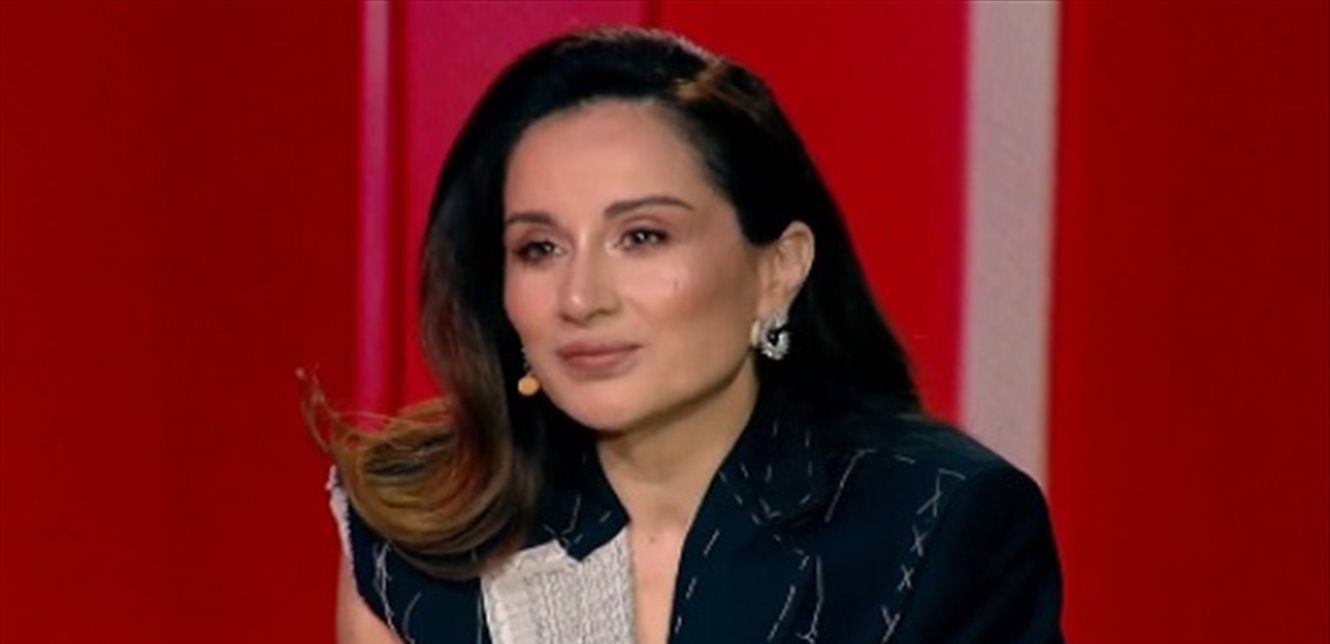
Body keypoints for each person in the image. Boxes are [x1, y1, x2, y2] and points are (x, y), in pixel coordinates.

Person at [304, 25, 1063, 644]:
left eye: (642, 237)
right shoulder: (416, 525)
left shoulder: (938, 523)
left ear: (779, 270)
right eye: (539, 248)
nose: (580, 298)